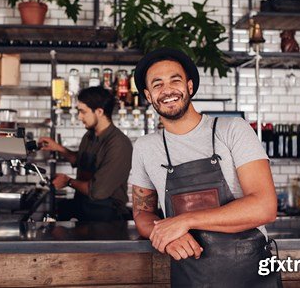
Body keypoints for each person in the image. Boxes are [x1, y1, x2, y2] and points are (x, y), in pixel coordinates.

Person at [129, 48, 282, 287]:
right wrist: (165, 236)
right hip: (190, 277)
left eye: (175, 80)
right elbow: (142, 213)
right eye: (157, 84)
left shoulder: (232, 129)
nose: (167, 90)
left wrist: (184, 221)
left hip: (251, 275)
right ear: (148, 96)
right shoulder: (145, 147)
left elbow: (265, 207)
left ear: (190, 87)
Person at [39, 86, 133, 222]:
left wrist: (68, 182)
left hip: (107, 216)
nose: (79, 116)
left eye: (83, 112)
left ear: (99, 112)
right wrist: (58, 148)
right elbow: (81, 161)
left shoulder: (119, 144)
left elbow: (98, 191)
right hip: (85, 207)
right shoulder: (89, 136)